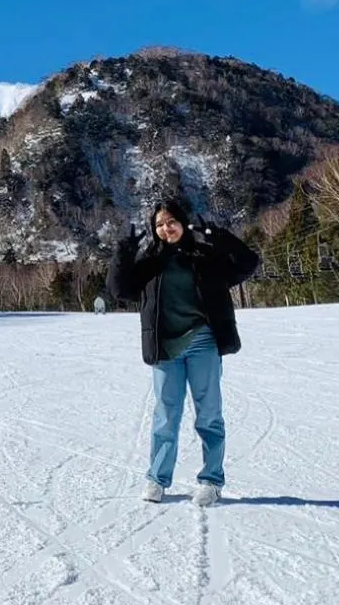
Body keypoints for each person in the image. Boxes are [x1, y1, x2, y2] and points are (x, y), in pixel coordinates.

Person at [106, 199, 260, 508]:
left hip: (203, 342)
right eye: (160, 224)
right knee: (166, 415)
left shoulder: (206, 256)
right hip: (165, 348)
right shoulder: (150, 262)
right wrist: (124, 252)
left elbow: (248, 264)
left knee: (209, 414)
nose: (166, 228)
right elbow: (118, 289)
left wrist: (221, 238)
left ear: (183, 222)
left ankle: (211, 480)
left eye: (171, 221)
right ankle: (157, 478)